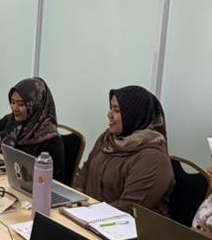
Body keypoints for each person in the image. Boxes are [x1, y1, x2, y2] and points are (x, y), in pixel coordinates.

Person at [73, 86, 174, 215]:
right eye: (111, 107)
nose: (109, 114)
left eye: (116, 110)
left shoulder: (154, 159)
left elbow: (128, 208)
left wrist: (87, 212)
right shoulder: (108, 138)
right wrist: (77, 198)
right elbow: (86, 169)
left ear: (134, 116)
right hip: (88, 216)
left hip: (121, 224)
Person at [0, 77, 69, 183]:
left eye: (21, 104)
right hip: (7, 181)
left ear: (35, 104)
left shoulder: (52, 140)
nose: (14, 108)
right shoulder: (11, 120)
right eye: (12, 102)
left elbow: (55, 184)